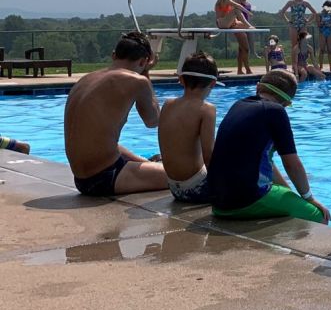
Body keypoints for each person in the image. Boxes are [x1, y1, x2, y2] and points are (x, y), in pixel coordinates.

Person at [207, 70, 330, 223]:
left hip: (218, 204)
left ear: (258, 87)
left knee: (288, 200)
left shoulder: (238, 105)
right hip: (245, 202)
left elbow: (268, 163)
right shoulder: (276, 111)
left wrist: (290, 194)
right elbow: (292, 163)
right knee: (319, 216)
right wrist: (308, 198)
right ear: (287, 103)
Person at [63, 31, 167, 196]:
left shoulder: (86, 79)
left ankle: (149, 164)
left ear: (114, 55)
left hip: (80, 178)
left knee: (109, 143)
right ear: (144, 61)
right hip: (105, 178)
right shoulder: (137, 81)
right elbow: (153, 121)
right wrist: (146, 73)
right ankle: (154, 167)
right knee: (181, 176)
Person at [158, 51, 221, 203]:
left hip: (174, 188)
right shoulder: (206, 109)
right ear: (213, 83)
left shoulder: (167, 104)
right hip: (197, 189)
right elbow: (209, 155)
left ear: (181, 79)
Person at [215, 0, 255, 75]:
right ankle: (246, 69)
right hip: (222, 23)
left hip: (229, 23)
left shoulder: (230, 0)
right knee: (244, 48)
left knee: (244, 48)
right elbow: (238, 7)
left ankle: (241, 70)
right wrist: (248, 13)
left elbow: (231, 15)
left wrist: (239, 22)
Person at [278, 0, 317, 72]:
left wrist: (308, 21)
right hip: (293, 25)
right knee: (294, 45)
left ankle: (303, 62)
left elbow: (314, 13)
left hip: (302, 25)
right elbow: (282, 12)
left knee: (303, 44)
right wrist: (288, 21)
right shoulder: (290, 2)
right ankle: (294, 65)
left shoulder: (305, 3)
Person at [238, 0, 257, 73]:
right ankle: (247, 69)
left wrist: (250, 25)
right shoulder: (237, 2)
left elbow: (248, 17)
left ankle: (239, 70)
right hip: (239, 27)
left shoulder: (248, 4)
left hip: (247, 27)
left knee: (242, 49)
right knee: (245, 49)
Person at [318, 0, 331, 72]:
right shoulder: (319, 14)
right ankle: (321, 67)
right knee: (322, 50)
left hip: (330, 32)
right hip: (322, 32)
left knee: (329, 50)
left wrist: (330, 25)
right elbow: (318, 24)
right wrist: (322, 23)